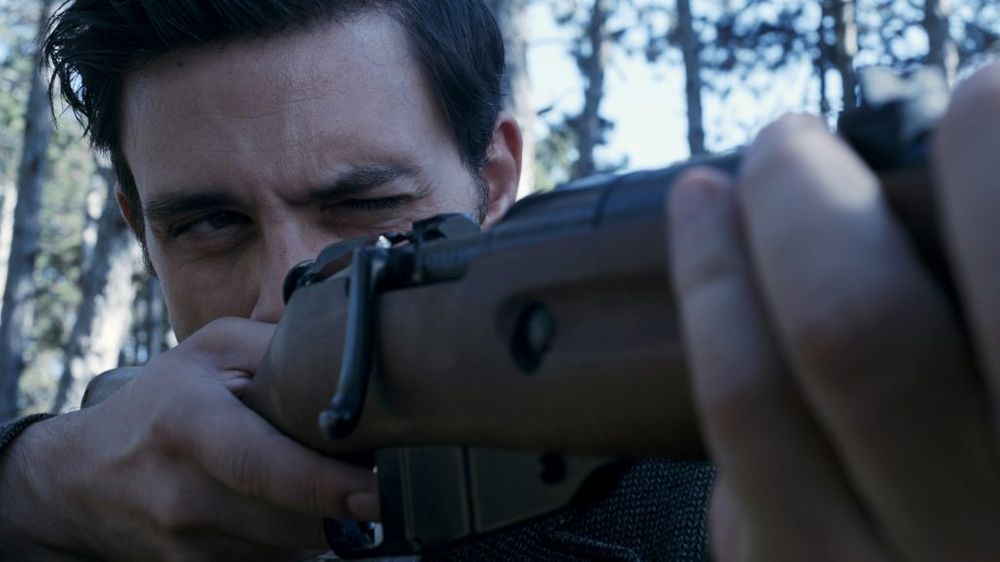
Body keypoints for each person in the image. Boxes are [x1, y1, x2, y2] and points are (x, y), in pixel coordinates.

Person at [1, 0, 998, 560]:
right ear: (139, 229)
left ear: (493, 178)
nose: (285, 291)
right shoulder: (108, 493)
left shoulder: (704, 473)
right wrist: (37, 481)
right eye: (210, 224)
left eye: (363, 204)